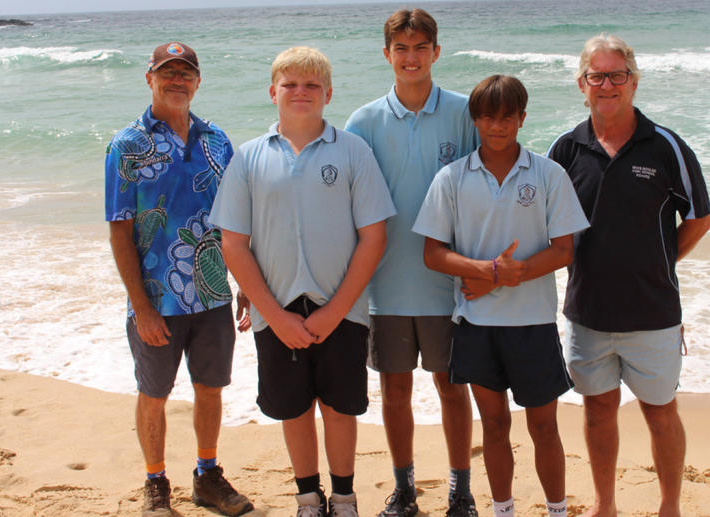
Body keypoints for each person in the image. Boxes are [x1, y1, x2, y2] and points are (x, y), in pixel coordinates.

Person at [210, 46, 395, 517]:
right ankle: (308, 497)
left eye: (311, 85)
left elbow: (374, 238)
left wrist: (335, 311)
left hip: (343, 308)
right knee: (293, 409)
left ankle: (345, 497)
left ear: (328, 94)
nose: (300, 92)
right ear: (273, 92)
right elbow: (234, 244)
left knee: (340, 408)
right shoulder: (250, 157)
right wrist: (272, 313)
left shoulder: (353, 151)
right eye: (290, 84)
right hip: (277, 310)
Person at [547, 35, 710, 517]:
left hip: (654, 313)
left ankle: (669, 507)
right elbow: (548, 226)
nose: (607, 85)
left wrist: (659, 262)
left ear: (633, 82)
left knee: (660, 413)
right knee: (598, 412)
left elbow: (699, 218)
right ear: (581, 85)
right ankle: (605, 506)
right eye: (596, 76)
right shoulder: (565, 150)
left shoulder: (665, 147)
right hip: (587, 313)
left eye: (617, 75)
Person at [414, 75, 589, 517]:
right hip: (475, 325)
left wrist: (511, 275)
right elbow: (433, 253)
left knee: (544, 426)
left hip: (533, 323)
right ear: (475, 119)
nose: (497, 126)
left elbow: (565, 249)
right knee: (493, 425)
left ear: (522, 118)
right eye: (488, 117)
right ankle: (503, 510)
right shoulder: (452, 178)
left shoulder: (549, 174)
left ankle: (556, 510)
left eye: (507, 116)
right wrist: (486, 271)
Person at [105, 41, 253, 517]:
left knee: (210, 388)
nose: (176, 80)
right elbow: (119, 229)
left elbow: (234, 220)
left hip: (211, 294)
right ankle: (155, 483)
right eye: (166, 72)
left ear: (198, 80)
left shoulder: (217, 141)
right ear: (149, 79)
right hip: (155, 299)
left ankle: (207, 476)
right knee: (154, 394)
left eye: (185, 73)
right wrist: (141, 306)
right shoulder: (127, 145)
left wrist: (246, 282)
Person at [344, 8, 479, 517]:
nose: (411, 57)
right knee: (394, 390)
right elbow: (350, 208)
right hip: (385, 284)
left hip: (448, 285)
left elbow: (484, 191)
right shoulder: (363, 121)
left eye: (421, 47)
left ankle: (460, 490)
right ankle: (404, 490)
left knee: (451, 388)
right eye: (401, 48)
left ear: (436, 52)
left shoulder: (465, 113)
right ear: (387, 55)